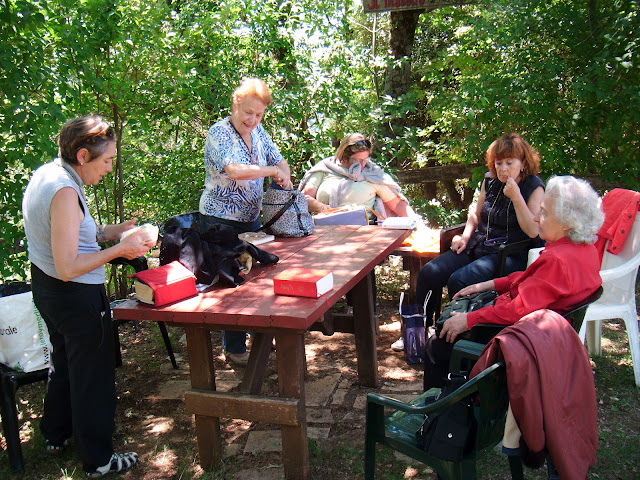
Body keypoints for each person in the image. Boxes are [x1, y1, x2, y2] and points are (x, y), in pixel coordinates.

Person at [22, 116, 153, 477]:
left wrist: (113, 232)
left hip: (48, 289)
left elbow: (76, 234)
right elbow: (68, 266)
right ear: (83, 156)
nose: (109, 168)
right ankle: (99, 459)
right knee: (92, 375)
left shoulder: (49, 174)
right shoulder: (64, 192)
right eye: (107, 160)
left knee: (65, 362)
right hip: (74, 293)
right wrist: (121, 250)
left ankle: (56, 432)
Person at [425, 175, 604, 390]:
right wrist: (489, 284)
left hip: (520, 339)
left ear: (567, 224)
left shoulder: (557, 260)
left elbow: (517, 310)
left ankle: (441, 406)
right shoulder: (585, 250)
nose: (536, 218)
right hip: (544, 335)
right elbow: (537, 282)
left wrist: (470, 319)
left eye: (544, 213)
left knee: (437, 344)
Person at [408, 133, 545, 352]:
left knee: (459, 280)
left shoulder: (533, 187)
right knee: (429, 273)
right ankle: (419, 334)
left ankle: (456, 341)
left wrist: (517, 197)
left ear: (523, 163)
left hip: (509, 254)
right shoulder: (490, 181)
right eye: (498, 163)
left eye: (509, 163)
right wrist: (464, 236)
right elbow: (476, 214)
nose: (503, 169)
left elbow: (533, 231)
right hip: (480, 245)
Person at [198, 78, 292, 366]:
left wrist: (284, 176)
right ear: (235, 104)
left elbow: (280, 160)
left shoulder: (259, 131)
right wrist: (272, 171)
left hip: (251, 219)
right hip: (220, 221)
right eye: (248, 112)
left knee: (258, 278)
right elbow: (235, 170)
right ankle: (234, 347)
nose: (253, 120)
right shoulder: (219, 132)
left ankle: (261, 336)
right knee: (232, 283)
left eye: (259, 115)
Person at [300, 133, 412, 219]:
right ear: (344, 157)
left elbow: (397, 205)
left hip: (363, 231)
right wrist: (323, 208)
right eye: (358, 160)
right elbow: (301, 200)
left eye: (365, 159)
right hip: (325, 228)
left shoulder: (372, 174)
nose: (363, 164)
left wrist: (417, 223)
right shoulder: (325, 169)